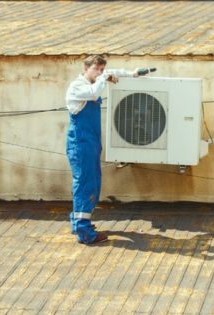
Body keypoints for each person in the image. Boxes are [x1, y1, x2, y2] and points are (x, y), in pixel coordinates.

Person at [65, 55, 140, 245]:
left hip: (91, 142)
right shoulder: (78, 86)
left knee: (93, 182)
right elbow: (93, 92)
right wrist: (104, 78)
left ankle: (78, 222)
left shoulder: (96, 81)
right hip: (81, 143)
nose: (98, 72)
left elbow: (110, 74)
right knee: (85, 183)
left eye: (101, 69)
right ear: (85, 68)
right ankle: (84, 232)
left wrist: (132, 74)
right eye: (95, 69)